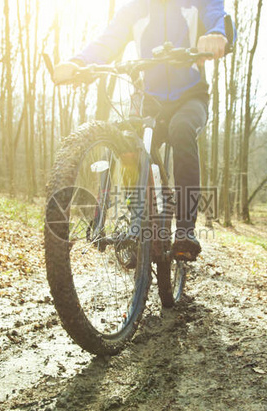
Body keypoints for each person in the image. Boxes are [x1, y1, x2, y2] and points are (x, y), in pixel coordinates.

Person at [53, 0, 230, 261]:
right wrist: (80, 62)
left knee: (181, 130)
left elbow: (216, 14)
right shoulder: (134, 9)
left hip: (190, 97)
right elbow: (108, 40)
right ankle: (137, 224)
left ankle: (185, 231)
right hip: (150, 99)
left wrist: (217, 34)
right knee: (128, 145)